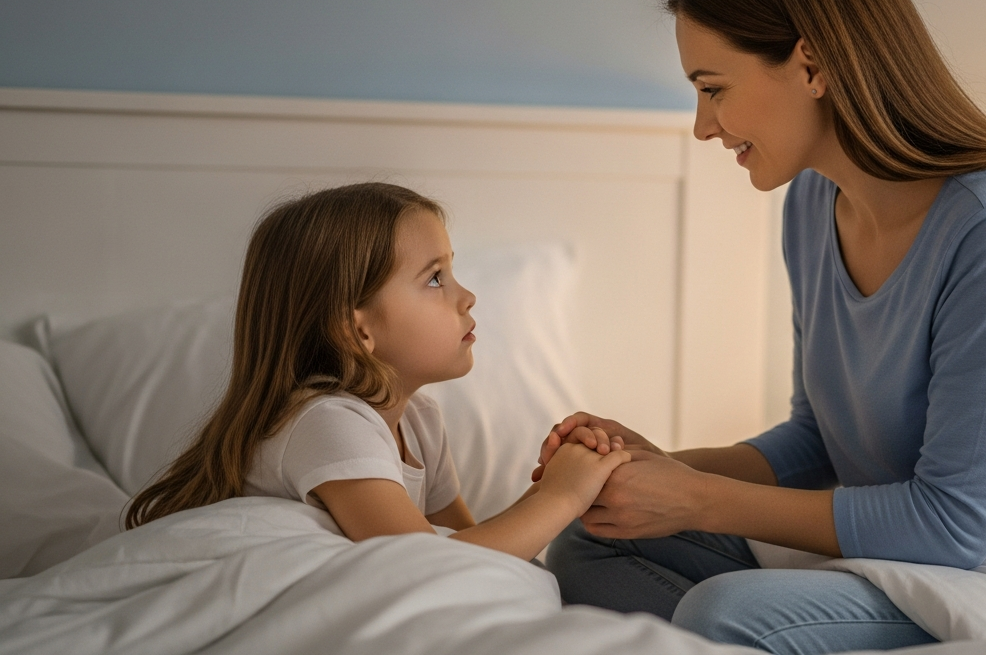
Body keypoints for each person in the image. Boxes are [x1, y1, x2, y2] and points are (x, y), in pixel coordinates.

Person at [540, 0, 986, 655]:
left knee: (729, 613)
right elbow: (818, 441)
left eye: (713, 88)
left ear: (811, 65)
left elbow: (954, 523)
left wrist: (696, 499)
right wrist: (653, 471)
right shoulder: (813, 202)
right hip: (908, 551)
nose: (704, 127)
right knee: (590, 541)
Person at [126, 182, 630, 562]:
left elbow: (469, 551)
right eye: (435, 278)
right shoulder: (326, 423)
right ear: (357, 329)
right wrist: (563, 497)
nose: (467, 296)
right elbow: (424, 566)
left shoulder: (420, 422)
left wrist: (548, 487)